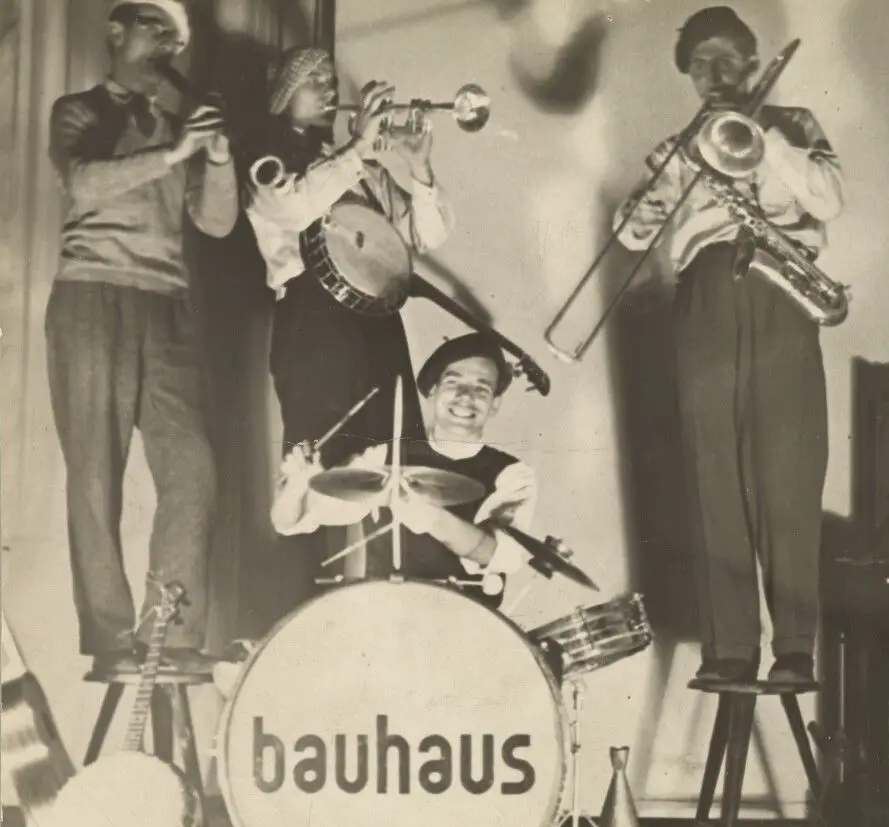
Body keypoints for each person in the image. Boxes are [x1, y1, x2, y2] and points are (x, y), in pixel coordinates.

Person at [614, 7, 844, 686]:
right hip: (707, 291)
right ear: (688, 75)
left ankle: (795, 644)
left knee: (791, 468)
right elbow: (629, 235)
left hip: (783, 290)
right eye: (699, 64)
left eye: (726, 59)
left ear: (751, 63)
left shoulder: (794, 123)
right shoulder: (675, 144)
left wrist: (766, 140)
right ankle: (732, 646)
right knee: (713, 469)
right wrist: (680, 165)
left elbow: (828, 200)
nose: (714, 74)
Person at [45, 0, 238, 677]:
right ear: (117, 32)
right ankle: (108, 635)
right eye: (154, 25)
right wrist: (175, 149)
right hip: (90, 296)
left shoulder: (178, 126)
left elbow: (215, 224)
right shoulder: (78, 110)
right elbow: (83, 181)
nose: (167, 42)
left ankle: (171, 633)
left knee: (194, 469)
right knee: (95, 471)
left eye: (176, 36)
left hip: (167, 304)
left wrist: (215, 157)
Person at [244, 47, 453, 471]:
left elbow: (425, 236)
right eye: (314, 79)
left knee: (398, 463)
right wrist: (357, 145)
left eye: (331, 79)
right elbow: (295, 209)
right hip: (313, 319)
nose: (329, 87)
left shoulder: (362, 169)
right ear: (285, 92)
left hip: (378, 318)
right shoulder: (265, 154)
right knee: (322, 464)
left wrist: (420, 168)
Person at [270, 332, 535, 613]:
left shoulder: (513, 475)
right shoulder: (385, 456)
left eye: (481, 389)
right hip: (386, 619)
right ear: (433, 391)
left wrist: (433, 518)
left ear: (494, 404)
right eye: (453, 382)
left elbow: (501, 556)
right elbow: (287, 523)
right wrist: (298, 486)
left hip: (464, 625)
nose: (464, 397)